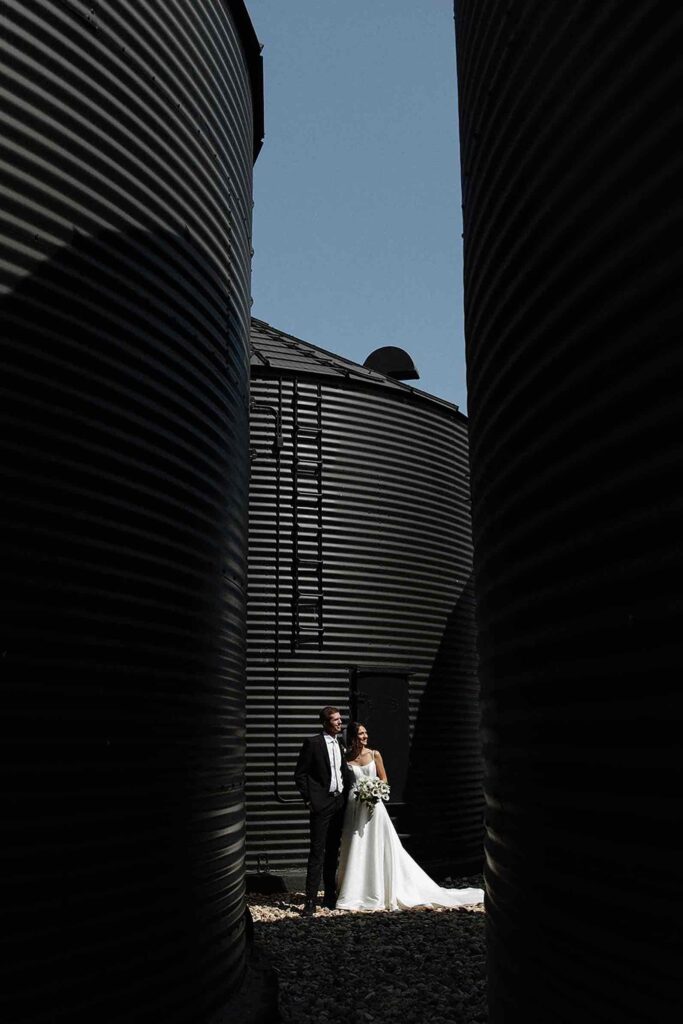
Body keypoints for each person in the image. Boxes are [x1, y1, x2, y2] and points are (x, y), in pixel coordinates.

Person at [335, 722, 485, 912]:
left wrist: (375, 791)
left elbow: (384, 779)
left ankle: (379, 889)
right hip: (355, 805)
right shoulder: (347, 758)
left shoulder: (374, 754)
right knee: (355, 843)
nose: (365, 736)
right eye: (361, 734)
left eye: (366, 733)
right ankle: (354, 889)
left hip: (374, 805)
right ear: (353, 737)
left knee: (377, 843)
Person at [294, 706, 355, 916]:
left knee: (333, 852)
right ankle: (310, 900)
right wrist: (309, 800)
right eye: (335, 720)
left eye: (340, 719)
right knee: (317, 852)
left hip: (338, 804)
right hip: (321, 804)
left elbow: (343, 772)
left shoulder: (340, 743)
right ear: (325, 722)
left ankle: (330, 896)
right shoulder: (313, 743)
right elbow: (299, 774)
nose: (340, 722)